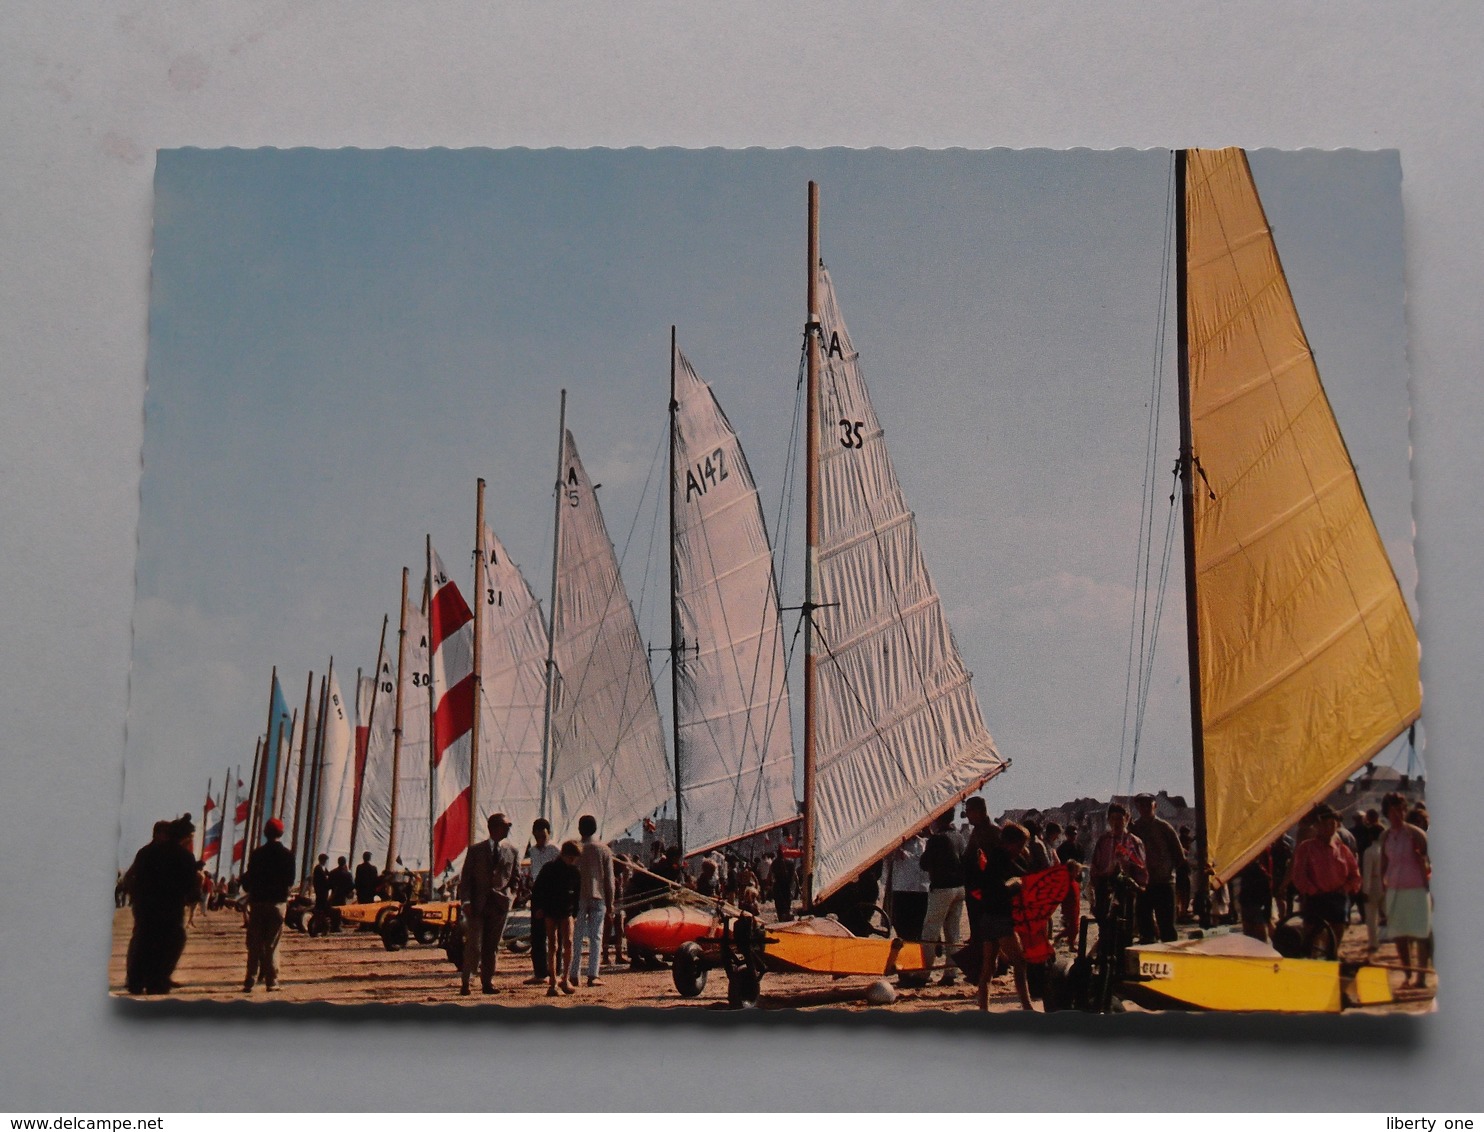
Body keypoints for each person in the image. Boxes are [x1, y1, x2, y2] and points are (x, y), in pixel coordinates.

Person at [123, 817, 199, 995]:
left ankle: (135, 981)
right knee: (170, 943)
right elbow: (191, 887)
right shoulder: (184, 856)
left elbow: (133, 878)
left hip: (145, 907)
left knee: (144, 942)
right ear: (185, 837)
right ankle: (157, 980)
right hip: (171, 908)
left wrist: (137, 898)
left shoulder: (145, 852)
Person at [964, 822, 1035, 1011]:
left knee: (989, 968)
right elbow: (1002, 888)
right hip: (1000, 918)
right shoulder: (1001, 859)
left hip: (988, 917)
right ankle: (1027, 1006)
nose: (1021, 850)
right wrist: (1017, 884)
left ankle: (983, 1009)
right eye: (1020, 846)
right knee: (1019, 962)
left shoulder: (996, 856)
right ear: (1010, 843)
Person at [456, 812, 519, 996]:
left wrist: (510, 896)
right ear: (494, 827)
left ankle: (487, 982)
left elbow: (515, 878)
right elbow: (466, 879)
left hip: (499, 905)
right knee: (474, 945)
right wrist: (465, 901)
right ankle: (467, 982)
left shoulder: (512, 851)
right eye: (506, 825)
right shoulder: (476, 850)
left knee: (492, 946)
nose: (509, 828)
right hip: (476, 904)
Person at [1290, 805, 1361, 958]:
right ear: (1316, 825)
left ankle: (1332, 961)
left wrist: (1345, 888)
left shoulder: (1343, 850)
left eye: (1332, 824)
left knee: (1335, 941)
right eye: (1324, 824)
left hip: (1337, 899)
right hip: (1316, 899)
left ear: (1337, 825)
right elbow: (1298, 876)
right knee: (1313, 942)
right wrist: (1313, 890)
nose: (1329, 827)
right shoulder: (1306, 848)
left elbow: (1355, 875)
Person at [1380, 792, 1432, 989]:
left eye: (1401, 810)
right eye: (1393, 811)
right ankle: (1408, 974)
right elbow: (1383, 865)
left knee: (1420, 935)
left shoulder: (1415, 834)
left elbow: (1428, 860)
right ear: (1386, 813)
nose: (1397, 814)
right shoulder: (1385, 837)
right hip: (1394, 889)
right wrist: (1382, 892)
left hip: (1417, 889)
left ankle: (1421, 977)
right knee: (1399, 936)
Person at [241, 817, 296, 993]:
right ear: (281, 833)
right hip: (277, 903)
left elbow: (248, 880)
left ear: (265, 833)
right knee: (272, 943)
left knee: (254, 943)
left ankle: (249, 979)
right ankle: (272, 981)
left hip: (258, 903)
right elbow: (290, 880)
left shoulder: (257, 854)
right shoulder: (288, 855)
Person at [568, 814, 614, 989]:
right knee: (596, 937)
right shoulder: (603, 850)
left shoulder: (575, 848)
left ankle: (574, 974)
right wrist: (611, 904)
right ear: (595, 829)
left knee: (576, 937)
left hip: (577, 896)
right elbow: (609, 880)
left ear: (580, 829)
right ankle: (593, 975)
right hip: (598, 896)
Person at [1129, 794, 1182, 943]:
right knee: (1145, 930)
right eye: (1141, 806)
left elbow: (1179, 855)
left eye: (1148, 805)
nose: (1144, 808)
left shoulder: (1164, 827)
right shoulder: (1134, 828)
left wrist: (1166, 871)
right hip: (1143, 886)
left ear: (1155, 806)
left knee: (1167, 929)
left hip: (1163, 884)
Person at [531, 840, 581, 996]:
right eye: (571, 858)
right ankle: (553, 980)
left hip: (567, 911)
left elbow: (577, 894)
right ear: (564, 855)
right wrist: (539, 908)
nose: (572, 861)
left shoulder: (574, 872)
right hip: (550, 910)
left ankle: (564, 979)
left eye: (574, 858)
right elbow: (538, 890)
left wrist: (575, 913)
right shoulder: (549, 868)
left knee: (568, 943)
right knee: (553, 945)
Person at [1090, 803, 1147, 924]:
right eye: (1112, 818)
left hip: (1127, 889)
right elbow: (1094, 867)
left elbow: (1142, 869)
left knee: (1124, 926)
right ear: (1109, 820)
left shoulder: (1134, 841)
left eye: (1119, 818)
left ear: (1126, 819)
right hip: (1104, 887)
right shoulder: (1103, 840)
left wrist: (1126, 863)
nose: (1116, 822)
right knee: (1104, 926)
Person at [525, 818, 558, 985]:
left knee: (553, 934)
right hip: (537, 892)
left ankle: (554, 972)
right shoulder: (533, 851)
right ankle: (540, 972)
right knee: (537, 935)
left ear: (548, 833)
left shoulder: (555, 849)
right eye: (537, 835)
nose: (540, 839)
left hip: (552, 891)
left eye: (543, 835)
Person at [771, 839, 798, 923]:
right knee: (785, 905)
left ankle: (782, 919)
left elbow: (773, 875)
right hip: (785, 886)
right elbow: (792, 877)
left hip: (779, 886)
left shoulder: (775, 863)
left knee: (780, 906)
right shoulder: (790, 863)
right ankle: (785, 918)